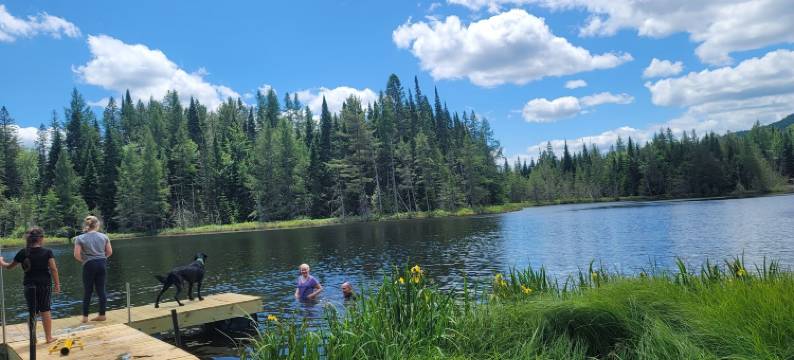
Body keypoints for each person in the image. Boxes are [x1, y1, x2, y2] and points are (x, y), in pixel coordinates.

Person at [0, 227, 61, 343]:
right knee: (45, 310)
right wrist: (57, 284)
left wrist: (1, 262)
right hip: (44, 285)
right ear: (40, 239)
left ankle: (33, 339)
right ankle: (48, 338)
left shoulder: (23, 252)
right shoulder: (47, 252)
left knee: (32, 311)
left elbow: (9, 267)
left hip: (29, 285)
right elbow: (54, 269)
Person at [73, 215, 112, 323]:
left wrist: (84, 261)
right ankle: (102, 315)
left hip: (89, 264)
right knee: (101, 290)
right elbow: (109, 252)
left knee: (88, 291)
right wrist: (102, 258)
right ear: (97, 224)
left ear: (86, 225)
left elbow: (76, 255)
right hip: (101, 263)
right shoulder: (104, 236)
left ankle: (85, 317)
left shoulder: (80, 238)